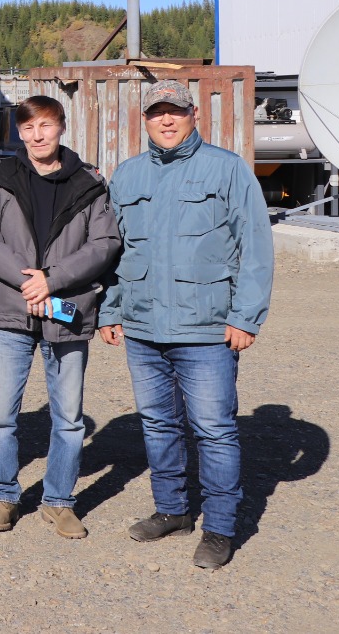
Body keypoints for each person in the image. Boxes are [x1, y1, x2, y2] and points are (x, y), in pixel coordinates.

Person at [99, 80, 274, 570]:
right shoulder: (128, 176)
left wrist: (246, 317)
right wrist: (110, 310)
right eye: (157, 113)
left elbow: (255, 247)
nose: (167, 120)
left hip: (208, 329)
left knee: (215, 430)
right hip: (143, 327)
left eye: (175, 111)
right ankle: (172, 510)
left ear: (193, 114)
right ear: (145, 119)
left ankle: (219, 528)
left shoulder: (226, 168)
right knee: (157, 424)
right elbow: (115, 252)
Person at [0, 95, 120, 538]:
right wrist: (27, 281)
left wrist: (51, 280)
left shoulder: (89, 182)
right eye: (29, 127)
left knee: (69, 417)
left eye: (47, 126)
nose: (38, 135)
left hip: (67, 313)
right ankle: (2, 495)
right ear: (19, 131)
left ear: (61, 127)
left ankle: (58, 501)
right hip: (12, 311)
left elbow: (105, 243)